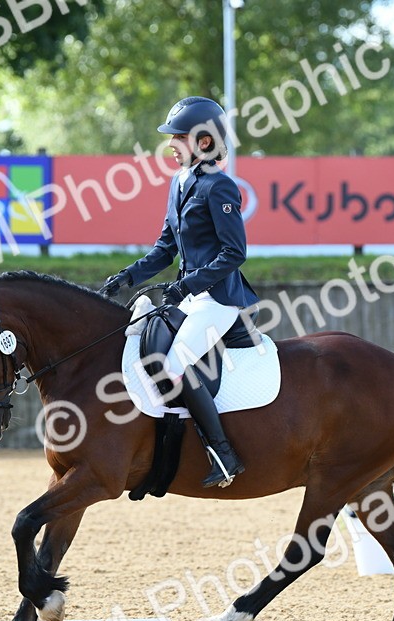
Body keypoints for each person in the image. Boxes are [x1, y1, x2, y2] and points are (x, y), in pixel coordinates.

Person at [101, 96, 258, 489]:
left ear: (204, 142)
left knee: (174, 367)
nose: (171, 143)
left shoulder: (220, 187)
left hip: (219, 300)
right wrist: (128, 277)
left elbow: (234, 252)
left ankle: (224, 455)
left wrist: (187, 284)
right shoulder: (179, 183)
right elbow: (165, 248)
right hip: (190, 297)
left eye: (178, 137)